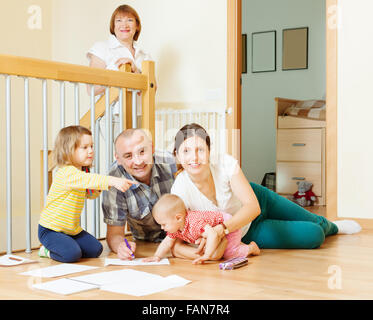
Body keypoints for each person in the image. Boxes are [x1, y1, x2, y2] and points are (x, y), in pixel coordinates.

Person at [169, 123, 362, 260]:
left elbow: (252, 207)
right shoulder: (179, 188)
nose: (194, 157)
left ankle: (335, 227)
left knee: (317, 221)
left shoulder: (225, 163)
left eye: (200, 149)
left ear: (209, 151)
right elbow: (175, 244)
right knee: (315, 235)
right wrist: (203, 254)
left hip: (258, 200)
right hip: (246, 230)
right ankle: (325, 228)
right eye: (186, 151)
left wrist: (222, 230)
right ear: (177, 155)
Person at [38, 125, 137, 263]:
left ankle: (66, 243)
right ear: (68, 150)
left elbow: (91, 194)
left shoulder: (82, 173)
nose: (90, 151)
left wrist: (101, 186)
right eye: (84, 148)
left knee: (95, 249)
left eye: (91, 146)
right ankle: (46, 251)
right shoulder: (66, 173)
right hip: (51, 230)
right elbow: (90, 180)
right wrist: (112, 180)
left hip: (71, 230)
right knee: (71, 254)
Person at [101, 128, 177, 260]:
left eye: (142, 152)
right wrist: (120, 247)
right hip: (145, 244)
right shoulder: (114, 179)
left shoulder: (171, 162)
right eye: (128, 156)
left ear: (152, 148)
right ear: (118, 158)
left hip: (180, 239)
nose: (138, 161)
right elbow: (115, 234)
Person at [86, 4, 155, 135]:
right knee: (122, 153)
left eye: (129, 20)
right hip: (113, 115)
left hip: (140, 114)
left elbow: (153, 88)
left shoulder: (145, 55)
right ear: (113, 26)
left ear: (137, 26)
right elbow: (92, 88)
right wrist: (121, 76)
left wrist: (135, 71)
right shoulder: (102, 48)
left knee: (138, 153)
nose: (124, 25)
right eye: (119, 20)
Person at [143, 194, 260, 265]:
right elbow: (167, 242)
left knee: (230, 254)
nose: (162, 228)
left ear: (178, 217)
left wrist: (207, 256)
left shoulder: (194, 223)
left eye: (164, 224)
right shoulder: (176, 228)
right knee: (222, 249)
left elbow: (213, 234)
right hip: (216, 229)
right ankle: (237, 245)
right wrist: (157, 256)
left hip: (227, 223)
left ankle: (251, 248)